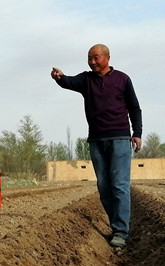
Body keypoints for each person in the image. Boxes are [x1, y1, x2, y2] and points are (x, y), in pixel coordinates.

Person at [51, 44, 142, 248]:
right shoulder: (86, 80)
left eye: (96, 58)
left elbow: (135, 108)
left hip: (119, 138)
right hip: (96, 140)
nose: (92, 62)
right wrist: (59, 77)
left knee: (119, 185)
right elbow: (69, 82)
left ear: (107, 58)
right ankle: (116, 225)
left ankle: (121, 231)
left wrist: (137, 134)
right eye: (89, 58)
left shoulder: (122, 79)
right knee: (104, 186)